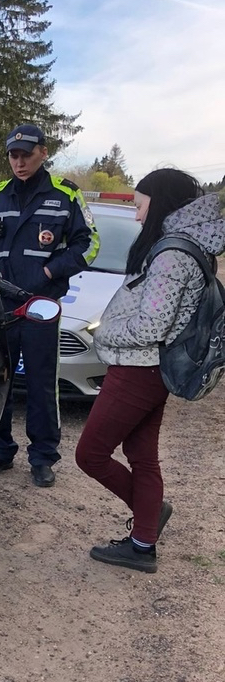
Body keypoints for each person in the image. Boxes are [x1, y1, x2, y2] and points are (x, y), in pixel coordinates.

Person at [75, 168, 225, 573]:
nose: (138, 216)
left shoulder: (173, 254)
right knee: (142, 455)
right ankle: (143, 543)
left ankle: (149, 517)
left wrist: (107, 332)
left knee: (89, 454)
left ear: (158, 202)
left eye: (140, 206)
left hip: (139, 368)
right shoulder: (185, 245)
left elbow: (151, 326)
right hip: (151, 369)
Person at [0, 124, 99, 488]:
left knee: (41, 382)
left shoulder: (65, 195)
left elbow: (89, 245)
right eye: (14, 155)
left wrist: (50, 269)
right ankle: (0, 449)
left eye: (27, 154)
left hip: (41, 305)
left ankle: (43, 457)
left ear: (43, 152)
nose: (20, 162)